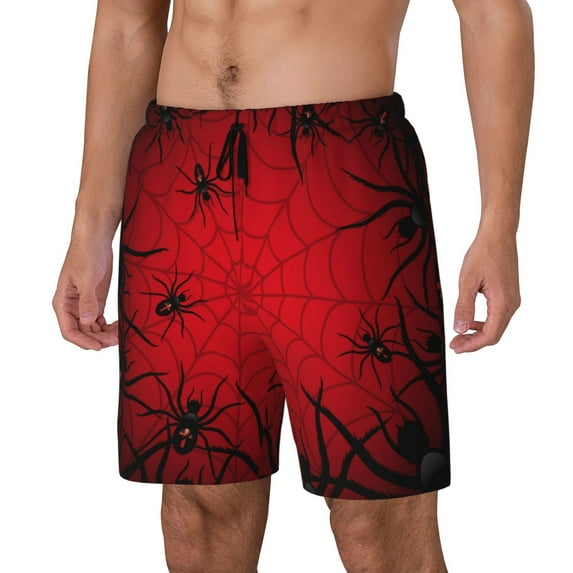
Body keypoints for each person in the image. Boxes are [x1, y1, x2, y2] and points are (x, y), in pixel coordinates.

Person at [52, 0, 534, 571]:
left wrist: (499, 225)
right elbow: (127, 24)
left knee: (376, 518)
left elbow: (492, 14)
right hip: (177, 178)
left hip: (342, 178)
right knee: (199, 511)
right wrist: (90, 226)